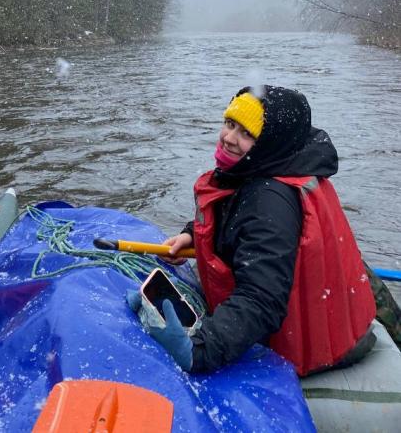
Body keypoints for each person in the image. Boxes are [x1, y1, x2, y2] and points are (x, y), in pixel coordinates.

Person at [128, 85, 377, 377]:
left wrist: (199, 349)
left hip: (316, 348)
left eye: (246, 134)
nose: (229, 138)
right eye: (230, 124)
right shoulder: (269, 163)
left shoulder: (269, 201)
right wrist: (192, 234)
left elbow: (261, 299)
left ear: (269, 142)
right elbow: (233, 207)